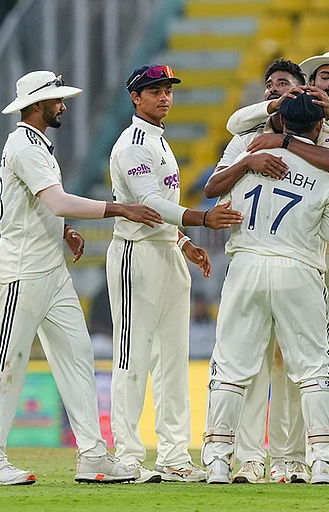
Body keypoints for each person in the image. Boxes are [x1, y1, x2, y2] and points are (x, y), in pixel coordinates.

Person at [0, 70, 164, 486]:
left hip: (52, 272)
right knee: (8, 365)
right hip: (23, 273)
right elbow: (57, 200)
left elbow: (32, 206)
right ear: (37, 105)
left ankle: (93, 456)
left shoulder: (38, 144)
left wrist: (64, 230)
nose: (63, 105)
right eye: (57, 100)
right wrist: (120, 209)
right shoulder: (22, 145)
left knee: (78, 359)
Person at [222, 51, 329, 484]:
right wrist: (279, 108)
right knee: (286, 360)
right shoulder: (286, 120)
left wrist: (313, 128)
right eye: (323, 76)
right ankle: (289, 458)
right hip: (295, 255)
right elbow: (235, 125)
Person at [205, 57, 329, 485]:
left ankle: (216, 460)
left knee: (230, 365)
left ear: (280, 119)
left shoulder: (249, 155)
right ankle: (321, 462)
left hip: (245, 264)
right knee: (312, 367)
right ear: (318, 127)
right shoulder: (326, 175)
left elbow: (215, 195)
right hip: (298, 267)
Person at [108, 64, 242, 483]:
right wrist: (201, 218)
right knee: (133, 356)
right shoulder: (131, 145)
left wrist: (183, 242)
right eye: (154, 91)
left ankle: (173, 456)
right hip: (136, 255)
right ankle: (127, 456)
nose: (164, 97)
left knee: (172, 362)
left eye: (168, 90)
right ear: (136, 97)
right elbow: (147, 201)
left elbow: (162, 207)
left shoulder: (159, 142)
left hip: (166, 253)